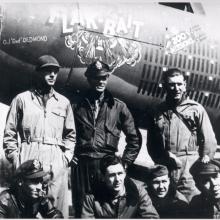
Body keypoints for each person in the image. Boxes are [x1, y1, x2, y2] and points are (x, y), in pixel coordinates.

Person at [3, 55, 76, 218]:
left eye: (55, 72)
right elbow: (9, 133)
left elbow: (71, 135)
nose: (52, 75)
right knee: (29, 209)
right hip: (29, 156)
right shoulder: (22, 99)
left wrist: (65, 158)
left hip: (55, 160)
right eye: (47, 71)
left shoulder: (63, 103)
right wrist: (17, 159)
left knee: (55, 210)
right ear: (37, 73)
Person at [71, 59, 141, 217]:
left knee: (106, 209)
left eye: (104, 77)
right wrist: (70, 154)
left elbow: (134, 138)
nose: (100, 81)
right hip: (82, 165)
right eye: (96, 78)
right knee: (81, 207)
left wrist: (124, 163)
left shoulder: (118, 107)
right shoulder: (76, 106)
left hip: (106, 166)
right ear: (89, 79)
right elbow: (65, 134)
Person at [147, 68, 217, 201]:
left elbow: (209, 141)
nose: (176, 88)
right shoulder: (157, 111)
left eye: (179, 84)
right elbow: (152, 144)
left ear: (185, 85)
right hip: (166, 169)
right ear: (165, 86)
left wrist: (202, 164)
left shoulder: (196, 109)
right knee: (167, 205)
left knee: (191, 204)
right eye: (172, 84)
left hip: (189, 170)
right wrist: (161, 161)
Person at [81, 154, 159, 218]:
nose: (117, 179)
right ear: (103, 177)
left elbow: (151, 216)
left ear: (125, 173)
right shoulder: (91, 198)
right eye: (112, 175)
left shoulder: (138, 190)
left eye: (120, 174)